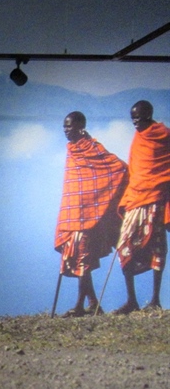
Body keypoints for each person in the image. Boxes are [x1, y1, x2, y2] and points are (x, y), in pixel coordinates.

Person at [53, 111, 127, 316]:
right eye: (64, 126)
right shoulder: (72, 149)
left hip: (90, 214)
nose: (66, 130)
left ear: (81, 127)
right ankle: (93, 303)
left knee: (82, 260)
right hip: (73, 213)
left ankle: (80, 305)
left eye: (70, 126)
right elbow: (75, 184)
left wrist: (99, 200)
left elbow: (119, 168)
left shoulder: (92, 147)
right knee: (77, 258)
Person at [114, 100, 170, 313]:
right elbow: (135, 171)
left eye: (138, 117)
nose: (135, 122)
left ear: (148, 114)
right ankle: (132, 301)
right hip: (136, 198)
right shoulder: (138, 138)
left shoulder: (163, 135)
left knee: (157, 246)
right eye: (133, 118)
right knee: (124, 246)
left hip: (156, 199)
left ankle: (155, 300)